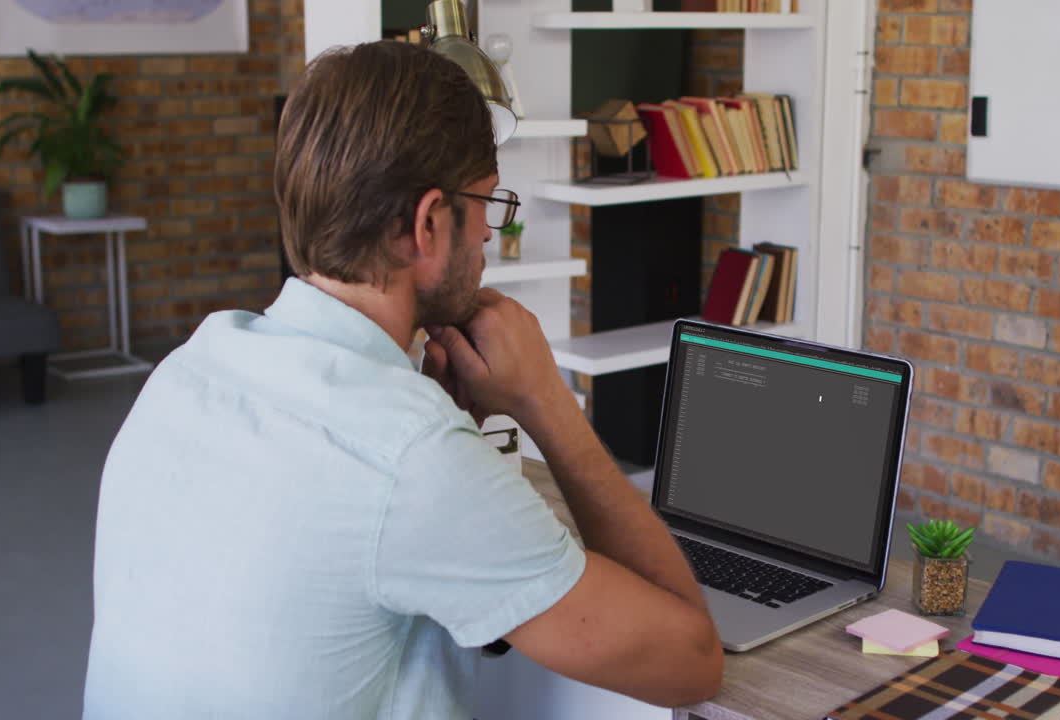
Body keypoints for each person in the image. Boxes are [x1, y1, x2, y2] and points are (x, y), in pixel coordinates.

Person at [82, 40, 722, 719]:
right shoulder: (412, 457)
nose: (486, 236)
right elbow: (691, 662)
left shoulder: (188, 369)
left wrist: (444, 434)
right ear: (425, 224)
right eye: (484, 203)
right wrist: (546, 402)